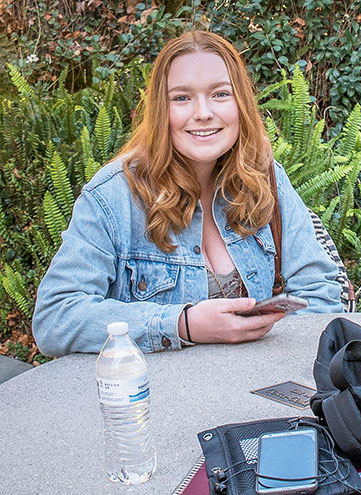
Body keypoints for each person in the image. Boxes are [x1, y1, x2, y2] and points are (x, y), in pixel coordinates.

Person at [32, 31, 343, 357]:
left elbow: (318, 291)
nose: (203, 112)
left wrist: (269, 355)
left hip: (259, 395)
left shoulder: (265, 177)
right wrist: (181, 325)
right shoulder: (114, 197)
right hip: (153, 400)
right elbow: (55, 318)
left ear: (241, 104)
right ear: (159, 111)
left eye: (221, 94)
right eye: (181, 98)